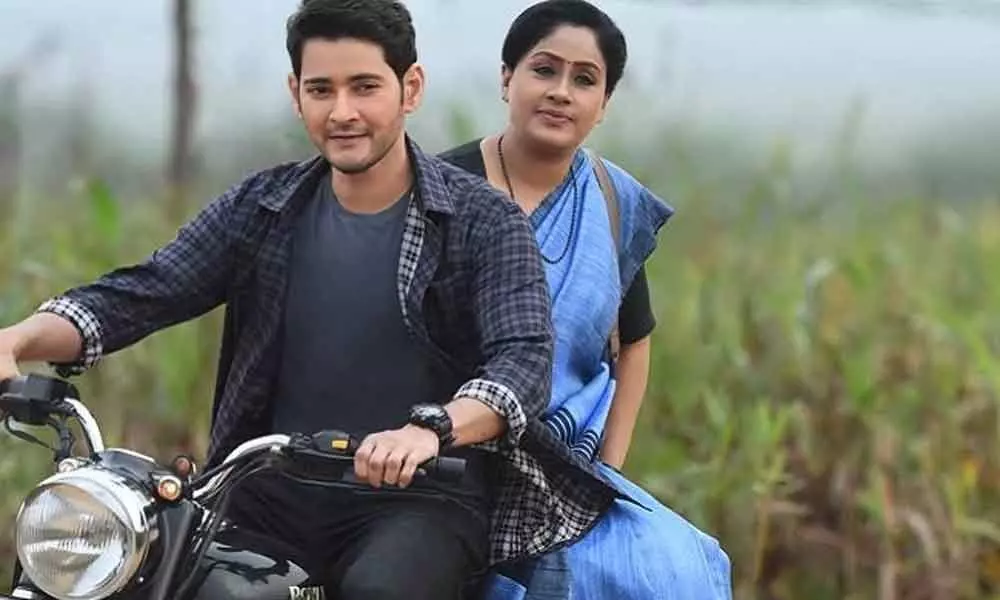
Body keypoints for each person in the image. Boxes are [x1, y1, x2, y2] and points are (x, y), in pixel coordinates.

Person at [0, 1, 611, 598]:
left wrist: (430, 431)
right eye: (322, 90)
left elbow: (522, 362)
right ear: (297, 94)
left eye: (364, 87)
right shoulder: (263, 207)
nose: (342, 112)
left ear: (410, 88)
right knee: (155, 575)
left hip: (422, 499)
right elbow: (148, 290)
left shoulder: (484, 220)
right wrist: (18, 339)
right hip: (268, 491)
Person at [439, 1, 732, 598]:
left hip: (571, 468)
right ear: (507, 78)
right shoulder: (442, 189)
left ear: (604, 104)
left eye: (584, 79)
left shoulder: (610, 200)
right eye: (544, 70)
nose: (561, 92)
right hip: (453, 456)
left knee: (680, 566)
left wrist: (609, 466)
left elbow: (635, 341)